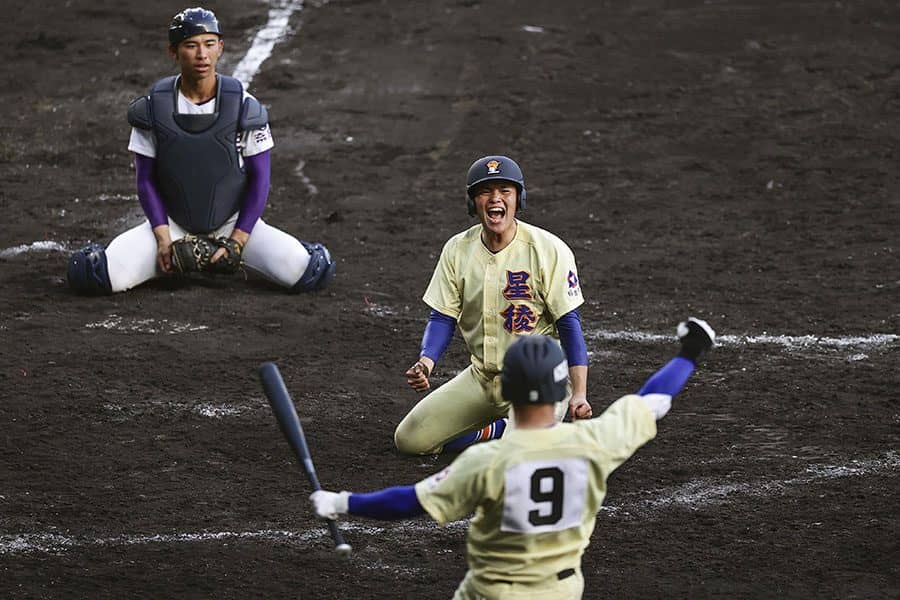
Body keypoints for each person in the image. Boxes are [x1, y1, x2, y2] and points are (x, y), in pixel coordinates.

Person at [311, 318, 716, 600]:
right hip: (562, 591)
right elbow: (654, 400)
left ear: (507, 389)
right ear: (560, 393)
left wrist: (342, 502)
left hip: (495, 593)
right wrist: (690, 352)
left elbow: (409, 501)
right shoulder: (597, 440)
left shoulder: (489, 461)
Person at [66, 7, 335, 295]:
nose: (201, 55)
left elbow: (261, 178)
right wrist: (162, 237)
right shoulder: (153, 109)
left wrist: (238, 241)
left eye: (209, 44)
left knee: (311, 271)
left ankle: (219, 255)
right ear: (174, 51)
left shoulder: (244, 106)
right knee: (92, 274)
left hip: (234, 225)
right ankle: (179, 258)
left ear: (220, 48)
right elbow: (145, 180)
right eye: (191, 45)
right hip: (172, 226)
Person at [395, 155, 591, 455]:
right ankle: (496, 428)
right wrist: (426, 361)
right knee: (410, 441)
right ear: (473, 202)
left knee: (515, 456)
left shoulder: (548, 249)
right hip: (483, 378)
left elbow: (569, 323)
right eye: (485, 191)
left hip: (539, 378)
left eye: (504, 190)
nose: (495, 199)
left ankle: (531, 426)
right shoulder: (457, 250)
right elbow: (442, 316)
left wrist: (579, 393)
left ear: (518, 199)